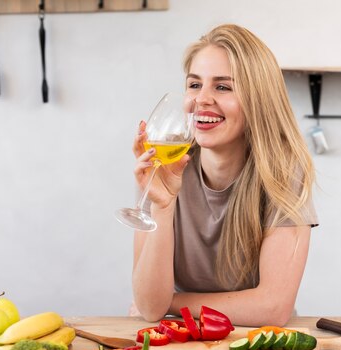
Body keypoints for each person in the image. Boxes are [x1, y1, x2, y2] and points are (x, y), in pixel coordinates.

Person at [130, 24, 318, 327]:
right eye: (194, 85)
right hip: (184, 339)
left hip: (254, 341)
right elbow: (151, 309)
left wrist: (173, 303)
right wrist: (162, 208)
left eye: (222, 87)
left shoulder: (282, 175)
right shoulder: (163, 166)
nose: (201, 99)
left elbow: (272, 309)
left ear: (259, 101)